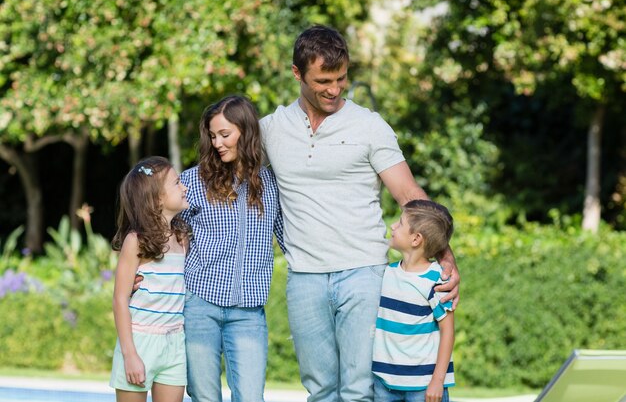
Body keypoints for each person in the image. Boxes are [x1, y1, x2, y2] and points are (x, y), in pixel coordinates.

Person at [259, 24, 460, 402]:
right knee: (319, 390)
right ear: (297, 73)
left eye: (341, 78)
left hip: (363, 272)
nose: (335, 90)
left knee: (358, 389)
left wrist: (446, 258)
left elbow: (409, 195)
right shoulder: (271, 130)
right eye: (323, 80)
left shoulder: (370, 125)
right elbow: (224, 179)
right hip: (305, 275)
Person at [179, 95, 285, 402]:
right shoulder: (193, 182)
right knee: (204, 396)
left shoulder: (272, 185)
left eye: (225, 134)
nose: (217, 143)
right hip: (200, 303)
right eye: (213, 136)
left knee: (251, 398)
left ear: (246, 132)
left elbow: (290, 238)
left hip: (249, 313)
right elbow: (163, 230)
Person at [110, 156, 190, 402]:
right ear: (157, 199)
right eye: (177, 183)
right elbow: (120, 299)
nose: (184, 186)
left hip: (174, 341)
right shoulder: (136, 241)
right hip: (140, 341)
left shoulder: (182, 238)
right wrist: (130, 354)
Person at [372, 199, 455, 402]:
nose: (393, 226)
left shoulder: (436, 281)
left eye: (400, 223)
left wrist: (437, 381)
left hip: (424, 386)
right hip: (384, 383)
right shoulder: (387, 272)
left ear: (416, 239)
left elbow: (448, 331)